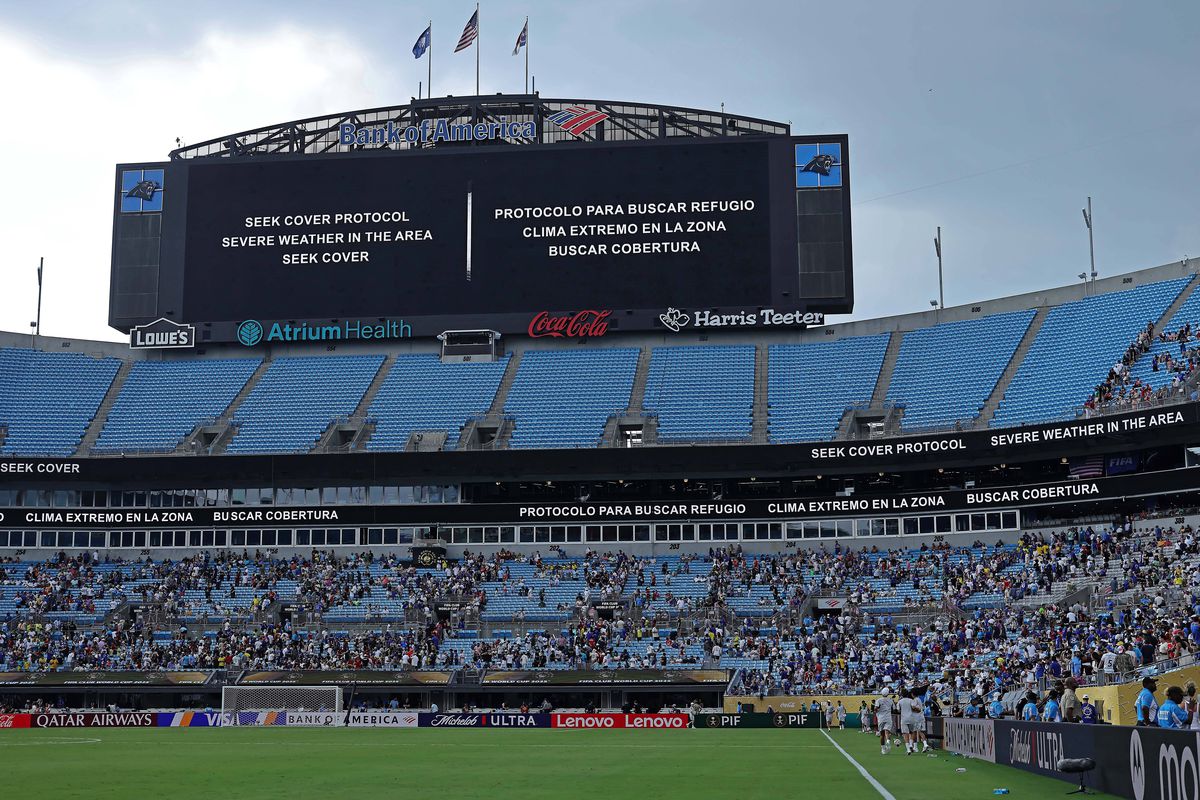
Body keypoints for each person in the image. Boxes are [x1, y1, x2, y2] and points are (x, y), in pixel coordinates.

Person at [899, 689, 928, 754]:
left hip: (916, 717)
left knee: (914, 732)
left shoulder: (914, 700)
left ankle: (912, 745)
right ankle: (922, 745)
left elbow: (913, 708)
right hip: (921, 717)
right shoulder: (919, 699)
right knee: (920, 731)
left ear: (912, 694)